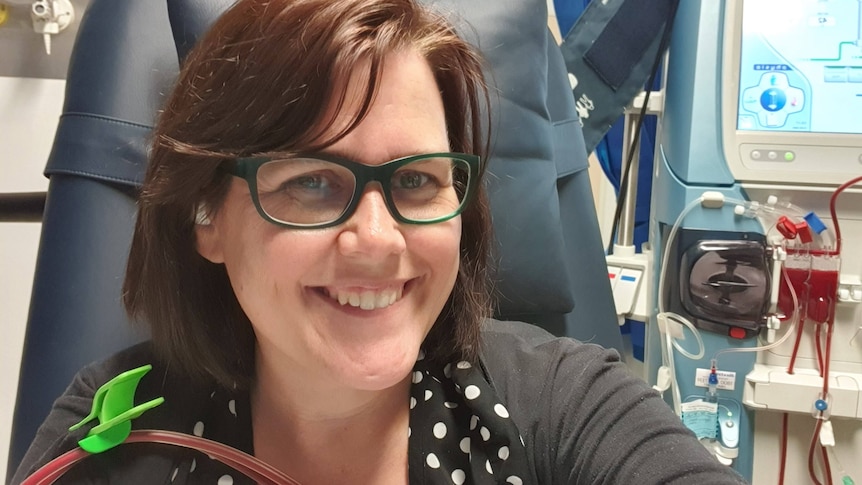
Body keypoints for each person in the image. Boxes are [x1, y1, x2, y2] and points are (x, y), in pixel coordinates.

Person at [12, 0, 749, 483]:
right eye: (311, 182)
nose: (377, 238)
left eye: (419, 181)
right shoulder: (116, 438)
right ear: (208, 216)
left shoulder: (565, 408)